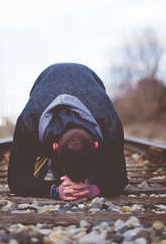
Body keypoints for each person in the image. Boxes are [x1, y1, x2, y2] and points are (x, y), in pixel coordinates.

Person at [8, 63, 128, 200]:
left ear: (97, 145)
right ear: (54, 147)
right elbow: (15, 180)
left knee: (101, 171)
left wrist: (95, 188)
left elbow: (120, 179)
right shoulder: (29, 122)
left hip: (92, 81)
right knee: (52, 172)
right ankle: (57, 168)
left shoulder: (110, 123)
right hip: (45, 80)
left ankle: (82, 173)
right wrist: (54, 190)